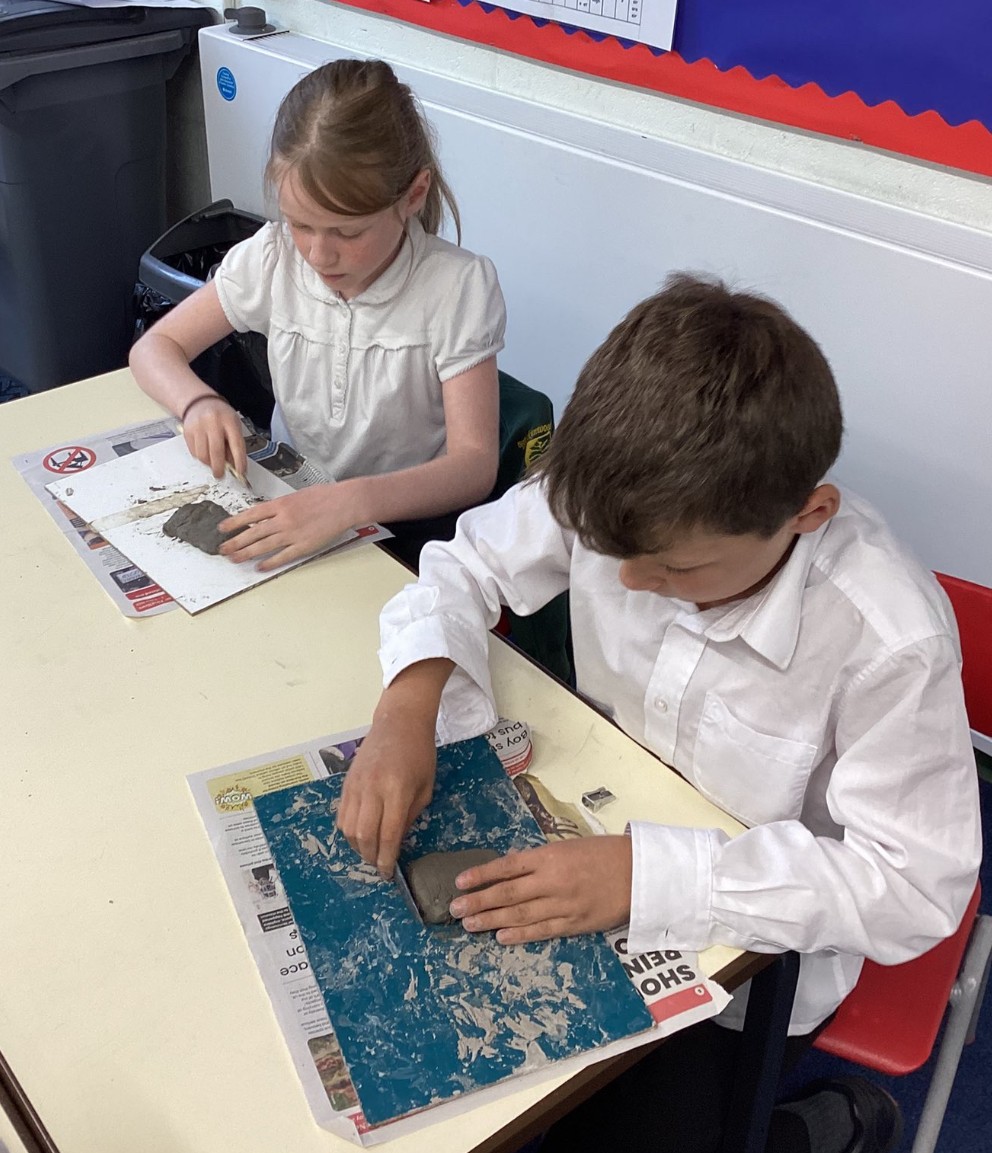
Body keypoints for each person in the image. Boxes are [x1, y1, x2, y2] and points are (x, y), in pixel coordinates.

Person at [336, 274, 982, 1153]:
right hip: (585, 837)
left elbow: (915, 886)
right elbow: (465, 564)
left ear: (808, 514)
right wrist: (408, 704)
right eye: (611, 552)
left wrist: (648, 878)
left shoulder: (889, 638)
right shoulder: (615, 495)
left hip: (750, 956)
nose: (633, 581)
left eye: (676, 569)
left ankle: (819, 1125)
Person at [130, 59, 505, 571]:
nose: (318, 254)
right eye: (300, 224)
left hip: (404, 531)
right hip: (288, 495)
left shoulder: (457, 288)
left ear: (413, 196)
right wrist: (198, 403)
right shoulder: (273, 259)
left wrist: (351, 502)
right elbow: (155, 348)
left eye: (348, 232)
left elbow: (474, 466)